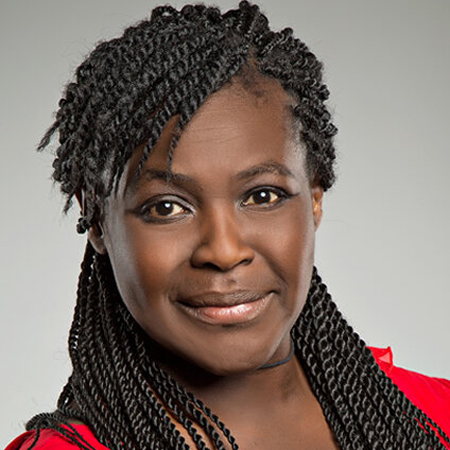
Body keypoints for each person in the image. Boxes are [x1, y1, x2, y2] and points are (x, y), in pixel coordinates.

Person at [5, 2, 450, 449]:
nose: (223, 251)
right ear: (97, 221)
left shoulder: (434, 416)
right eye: (167, 207)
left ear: (315, 198)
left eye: (262, 196)